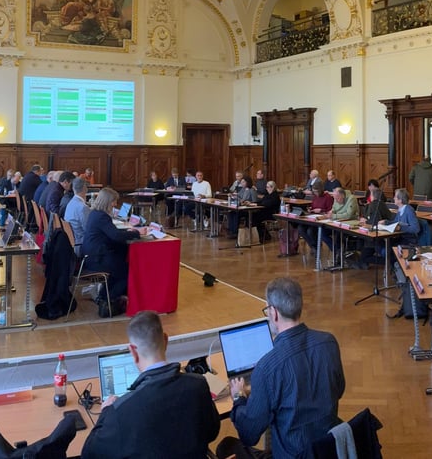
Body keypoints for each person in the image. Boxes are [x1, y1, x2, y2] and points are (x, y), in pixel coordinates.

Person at [217, 277, 345, 459]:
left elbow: (249, 435)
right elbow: (339, 390)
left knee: (226, 446)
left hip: (293, 454)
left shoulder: (266, 367)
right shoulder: (328, 342)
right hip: (329, 449)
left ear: (274, 313)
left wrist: (238, 397)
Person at [81, 311, 219, 459]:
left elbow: (89, 454)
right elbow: (212, 432)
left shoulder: (121, 411)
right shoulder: (198, 384)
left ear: (133, 352)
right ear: (165, 340)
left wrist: (105, 413)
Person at [83, 187, 146, 314]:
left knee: (120, 264)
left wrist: (128, 232)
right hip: (98, 258)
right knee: (127, 272)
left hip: (93, 254)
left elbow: (112, 233)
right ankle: (108, 299)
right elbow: (115, 235)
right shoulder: (102, 217)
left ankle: (104, 296)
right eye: (114, 201)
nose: (115, 204)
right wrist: (137, 233)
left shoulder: (95, 213)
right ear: (107, 201)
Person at [320, 187, 358, 253]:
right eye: (335, 198)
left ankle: (339, 252)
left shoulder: (352, 199)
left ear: (343, 195)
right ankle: (336, 251)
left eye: (338, 198)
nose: (336, 200)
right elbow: (334, 209)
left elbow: (348, 215)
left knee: (338, 233)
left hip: (349, 223)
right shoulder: (336, 197)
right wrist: (329, 213)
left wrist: (334, 216)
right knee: (322, 232)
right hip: (336, 222)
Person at [300, 185, 334, 251]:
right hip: (313, 217)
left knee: (310, 231)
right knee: (300, 228)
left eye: (316, 191)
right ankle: (313, 246)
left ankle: (316, 247)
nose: (315, 193)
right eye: (314, 191)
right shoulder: (315, 196)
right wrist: (310, 209)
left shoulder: (328, 197)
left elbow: (330, 211)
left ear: (320, 190)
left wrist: (321, 210)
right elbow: (313, 206)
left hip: (322, 218)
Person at [64, 176, 91, 255]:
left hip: (72, 241)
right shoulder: (83, 207)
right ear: (85, 189)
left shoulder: (71, 202)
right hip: (81, 243)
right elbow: (88, 229)